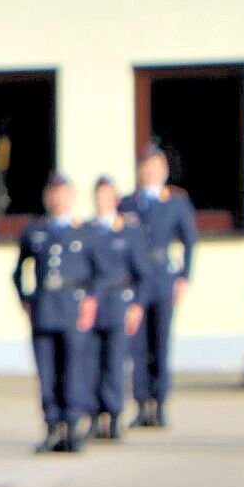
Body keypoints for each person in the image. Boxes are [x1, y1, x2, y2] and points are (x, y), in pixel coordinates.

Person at [12, 172, 99, 454]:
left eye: (62, 193)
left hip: (73, 306)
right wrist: (25, 299)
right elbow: (17, 272)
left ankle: (73, 425)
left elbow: (101, 273)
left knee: (73, 368)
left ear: (71, 197)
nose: (57, 199)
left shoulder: (84, 231)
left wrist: (90, 301)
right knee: (46, 371)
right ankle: (52, 426)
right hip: (44, 307)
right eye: (52, 193)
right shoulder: (35, 231)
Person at [121, 142, 197, 428]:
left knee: (161, 343)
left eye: (154, 166)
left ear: (164, 170)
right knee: (137, 346)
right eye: (144, 167)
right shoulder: (127, 203)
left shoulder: (175, 201)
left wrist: (184, 277)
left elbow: (189, 241)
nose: (149, 172)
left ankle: (160, 403)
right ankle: (141, 403)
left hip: (163, 278)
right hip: (135, 282)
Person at [81, 177, 147, 441]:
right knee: (90, 363)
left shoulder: (128, 231)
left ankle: (114, 415)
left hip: (118, 301)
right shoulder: (86, 230)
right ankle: (95, 416)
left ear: (115, 199)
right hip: (92, 304)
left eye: (106, 197)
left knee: (115, 363)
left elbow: (142, 273)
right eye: (98, 196)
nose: (101, 202)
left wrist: (137, 305)